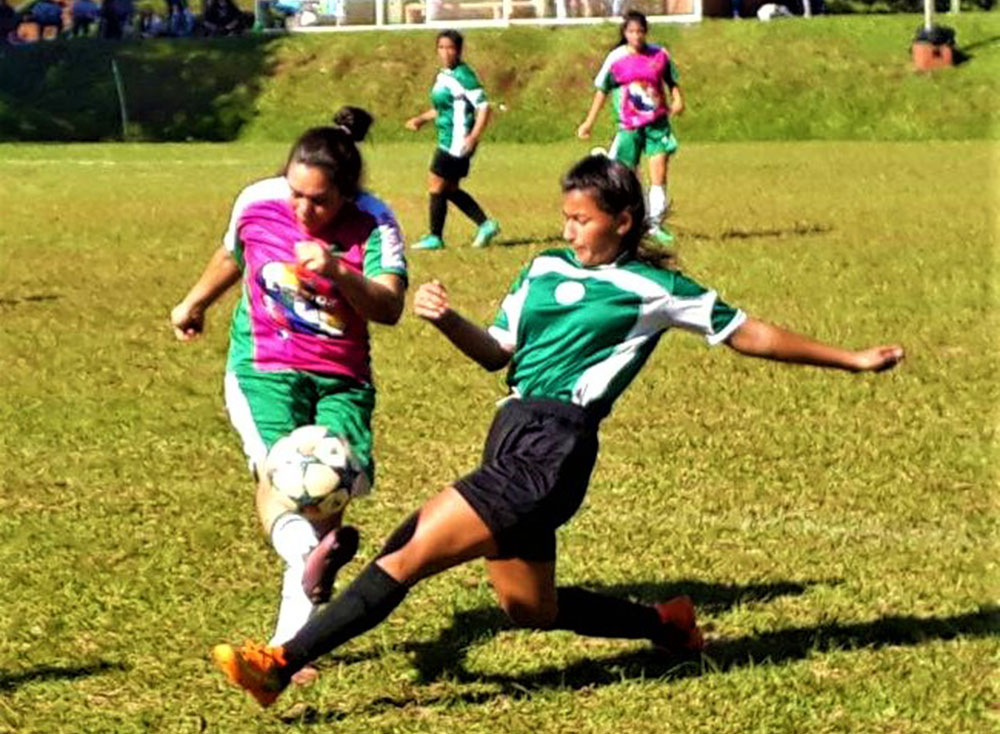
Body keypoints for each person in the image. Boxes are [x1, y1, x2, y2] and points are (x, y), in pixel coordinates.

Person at [210, 154, 905, 707]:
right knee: (528, 609)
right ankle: (665, 625)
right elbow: (497, 353)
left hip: (555, 446)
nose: (569, 230)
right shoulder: (542, 268)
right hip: (511, 432)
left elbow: (748, 333)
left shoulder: (657, 289)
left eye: (582, 219)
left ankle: (279, 664)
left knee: (408, 549)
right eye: (565, 217)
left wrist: (850, 358)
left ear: (623, 221)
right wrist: (447, 320)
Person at [171, 117, 408, 684]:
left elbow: (389, 307)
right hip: (264, 369)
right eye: (296, 193)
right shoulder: (257, 202)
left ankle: (287, 646)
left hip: (341, 378)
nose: (303, 209)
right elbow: (233, 255)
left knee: (328, 492)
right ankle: (304, 571)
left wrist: (340, 272)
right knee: (280, 476)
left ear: (346, 193)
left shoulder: (375, 223)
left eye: (319, 201)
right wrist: (194, 302)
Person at [577, 10, 684, 246]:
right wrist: (589, 122)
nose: (636, 36)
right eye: (632, 32)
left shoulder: (659, 55)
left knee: (659, 173)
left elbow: (671, 80)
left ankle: (656, 225)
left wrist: (678, 99)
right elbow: (602, 90)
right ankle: (634, 221)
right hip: (629, 126)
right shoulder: (616, 59)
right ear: (625, 33)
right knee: (628, 177)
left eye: (640, 31)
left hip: (657, 123)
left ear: (646, 32)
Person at [405, 29, 500, 251]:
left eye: (450, 48)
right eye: (441, 47)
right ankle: (485, 225)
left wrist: (474, 136)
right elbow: (444, 108)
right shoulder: (444, 75)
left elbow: (484, 107)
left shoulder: (463, 75)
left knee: (436, 184)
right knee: (448, 188)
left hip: (457, 140)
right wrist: (421, 119)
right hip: (447, 137)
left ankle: (435, 237)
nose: (445, 52)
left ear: (459, 50)